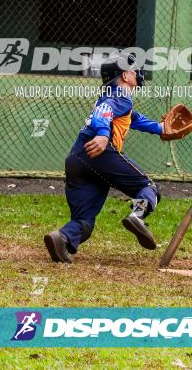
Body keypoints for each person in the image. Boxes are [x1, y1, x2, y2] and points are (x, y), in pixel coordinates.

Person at [44, 54, 164, 263]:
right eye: (134, 71)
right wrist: (102, 134)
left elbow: (134, 119)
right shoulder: (119, 97)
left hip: (77, 158)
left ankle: (62, 238)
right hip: (100, 153)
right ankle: (137, 216)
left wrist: (162, 129)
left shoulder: (110, 96)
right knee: (149, 188)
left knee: (84, 221)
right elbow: (104, 112)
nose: (137, 74)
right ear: (126, 75)